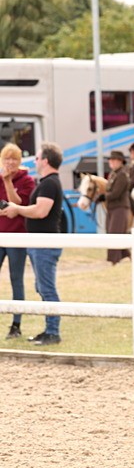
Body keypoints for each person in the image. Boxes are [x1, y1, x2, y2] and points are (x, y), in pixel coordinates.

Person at [0, 142, 65, 345]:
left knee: (45, 288)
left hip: (39, 241)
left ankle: (52, 331)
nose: (34, 161)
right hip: (36, 242)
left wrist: (16, 209)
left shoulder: (47, 183)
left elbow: (39, 211)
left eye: (37, 158)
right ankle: (50, 330)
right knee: (42, 287)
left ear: (45, 160)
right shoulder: (47, 182)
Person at [0, 143, 36, 339]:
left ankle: (16, 324)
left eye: (14, 158)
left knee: (16, 279)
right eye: (7, 158)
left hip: (17, 236)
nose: (10, 162)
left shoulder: (27, 181)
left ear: (20, 161)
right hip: (0, 234)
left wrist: (7, 182)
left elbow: (19, 204)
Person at [105, 150, 133, 264]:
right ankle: (126, 256)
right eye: (110, 160)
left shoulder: (122, 175)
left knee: (114, 233)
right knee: (111, 232)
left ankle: (113, 260)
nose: (111, 162)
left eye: (113, 160)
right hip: (112, 207)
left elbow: (116, 193)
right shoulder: (113, 174)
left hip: (119, 207)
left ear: (120, 161)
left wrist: (104, 196)